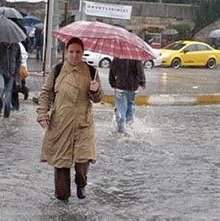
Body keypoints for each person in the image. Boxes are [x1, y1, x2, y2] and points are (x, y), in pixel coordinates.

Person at [36, 37, 102, 202]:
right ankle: (62, 196)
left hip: (83, 124)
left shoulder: (91, 71)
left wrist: (95, 90)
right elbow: (46, 93)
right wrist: (42, 113)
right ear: (66, 52)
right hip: (61, 122)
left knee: (83, 159)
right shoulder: (57, 70)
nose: (74, 55)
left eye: (78, 52)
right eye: (71, 51)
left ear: (82, 52)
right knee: (61, 162)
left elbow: (98, 98)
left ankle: (81, 182)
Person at [109, 58, 146, 134]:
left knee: (120, 108)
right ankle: (129, 128)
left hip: (120, 86)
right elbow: (140, 70)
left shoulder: (117, 57)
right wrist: (142, 82)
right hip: (133, 87)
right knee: (130, 105)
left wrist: (113, 83)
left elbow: (112, 71)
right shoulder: (136, 58)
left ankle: (121, 130)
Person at [0, 41, 21, 118]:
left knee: (8, 94)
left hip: (11, 72)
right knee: (1, 87)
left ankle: (6, 114)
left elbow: (18, 61)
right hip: (0, 70)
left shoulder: (16, 46)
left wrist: (17, 75)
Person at [11, 42, 30, 110]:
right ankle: (25, 90)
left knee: (14, 87)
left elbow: (24, 56)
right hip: (16, 69)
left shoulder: (18, 45)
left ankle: (15, 105)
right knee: (17, 86)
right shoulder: (14, 44)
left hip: (18, 70)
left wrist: (19, 63)